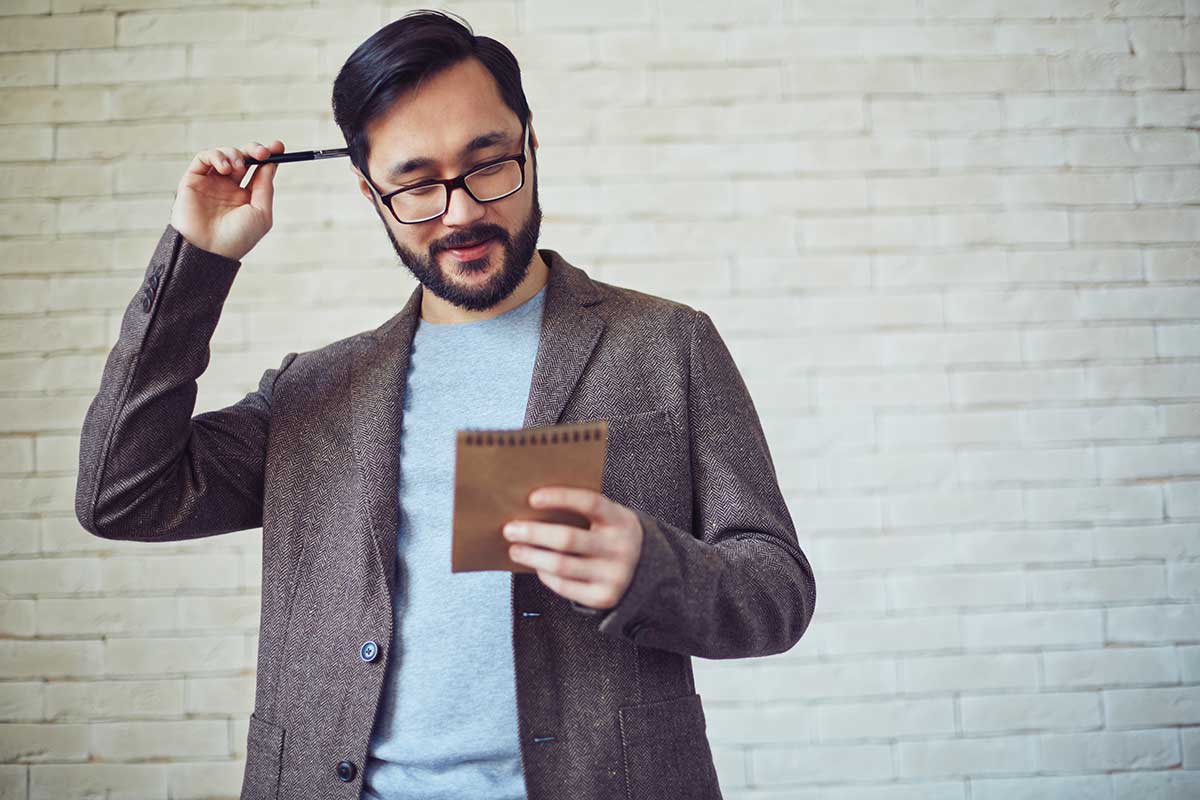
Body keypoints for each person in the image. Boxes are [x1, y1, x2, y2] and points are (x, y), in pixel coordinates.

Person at [74, 9, 816, 800]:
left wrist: (652, 568)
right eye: (417, 184)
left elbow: (776, 593)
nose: (460, 211)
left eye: (488, 164)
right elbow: (123, 494)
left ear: (531, 146)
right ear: (369, 192)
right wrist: (199, 262)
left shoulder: (668, 344)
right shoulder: (313, 394)